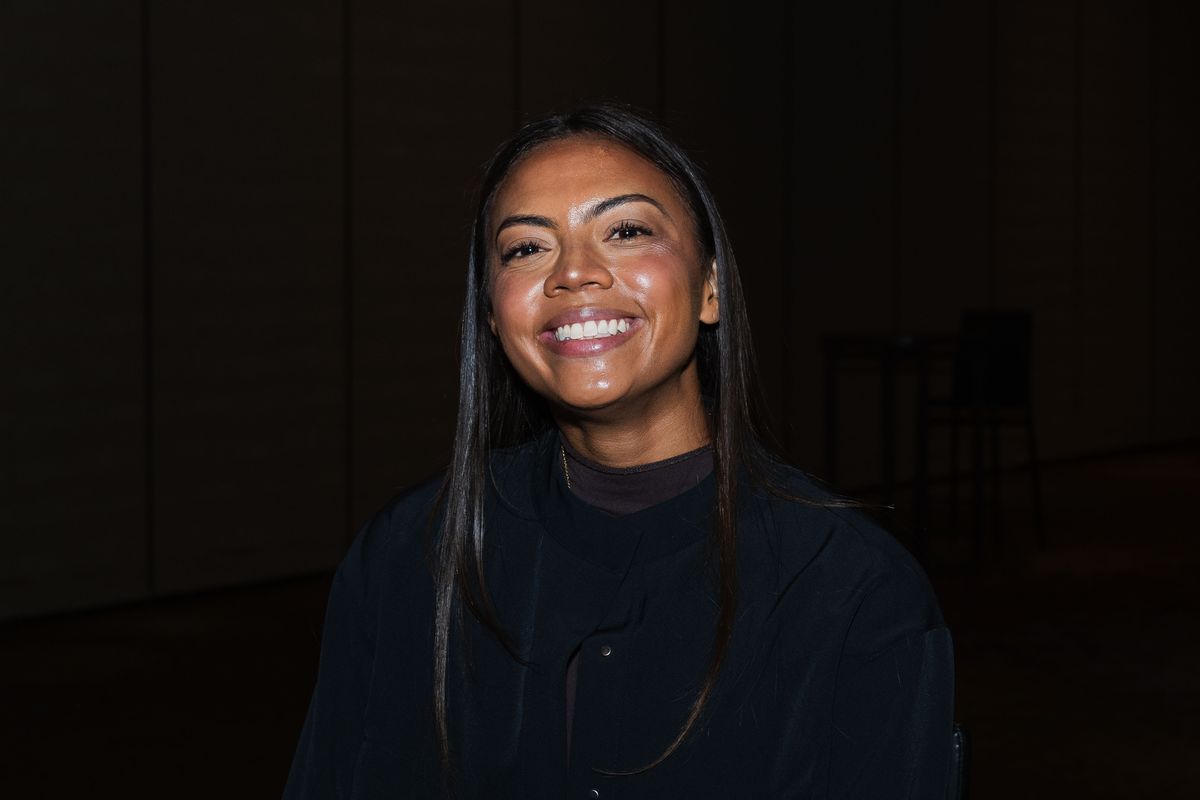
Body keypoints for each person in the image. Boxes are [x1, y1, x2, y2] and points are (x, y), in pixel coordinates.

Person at [283, 105, 955, 799]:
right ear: (492, 314)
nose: (575, 273)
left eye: (627, 230)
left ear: (710, 288)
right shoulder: (408, 555)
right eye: (525, 248)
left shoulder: (853, 590)